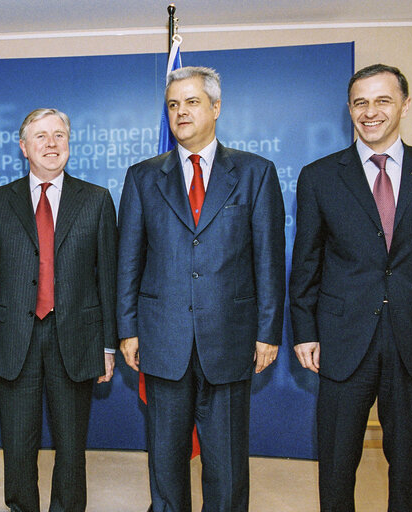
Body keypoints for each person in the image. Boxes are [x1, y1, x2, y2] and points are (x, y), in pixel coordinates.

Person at [117, 66, 286, 511]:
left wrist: (268, 331)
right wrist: (127, 329)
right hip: (161, 339)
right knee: (166, 462)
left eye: (192, 102)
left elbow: (268, 259)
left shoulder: (255, 173)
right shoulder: (141, 177)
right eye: (173, 104)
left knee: (226, 465)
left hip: (230, 340)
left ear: (215, 107)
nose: (181, 112)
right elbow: (128, 261)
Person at [290, 63, 412, 511]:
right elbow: (306, 260)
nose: (370, 112)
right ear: (349, 109)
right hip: (343, 340)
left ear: (404, 104)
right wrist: (305, 330)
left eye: (382, 100)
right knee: (336, 462)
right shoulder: (320, 176)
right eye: (360, 102)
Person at [0, 108, 118, 512]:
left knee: (71, 447)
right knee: (18, 446)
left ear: (69, 145)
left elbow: (107, 278)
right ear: (24, 147)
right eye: (41, 136)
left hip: (75, 338)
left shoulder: (96, 200)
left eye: (59, 135)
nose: (51, 143)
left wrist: (108, 346)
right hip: (13, 340)